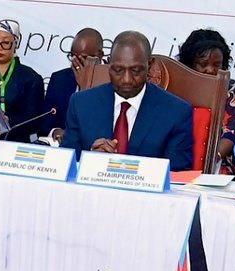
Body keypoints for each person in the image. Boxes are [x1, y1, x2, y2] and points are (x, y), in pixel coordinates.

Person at [59, 31, 198, 170]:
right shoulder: (81, 103)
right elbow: (65, 166)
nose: (126, 80)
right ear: (109, 64)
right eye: (118, 70)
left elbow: (177, 174)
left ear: (150, 65)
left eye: (135, 70)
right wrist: (92, 160)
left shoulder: (176, 113)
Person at [179, 28, 235, 167]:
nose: (210, 70)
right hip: (178, 160)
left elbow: (234, 131)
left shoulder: (233, 90)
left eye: (217, 64)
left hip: (218, 165)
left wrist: (209, 162)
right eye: (203, 64)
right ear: (189, 63)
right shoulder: (177, 87)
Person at [0, 19, 47, 140]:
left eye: (6, 43)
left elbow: (34, 120)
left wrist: (8, 120)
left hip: (15, 140)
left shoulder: (31, 78)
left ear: (15, 44)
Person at [45, 28, 102, 143]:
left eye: (83, 58)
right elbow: (45, 121)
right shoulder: (59, 79)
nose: (76, 63)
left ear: (99, 56)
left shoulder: (110, 82)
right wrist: (55, 131)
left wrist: (85, 86)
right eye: (72, 56)